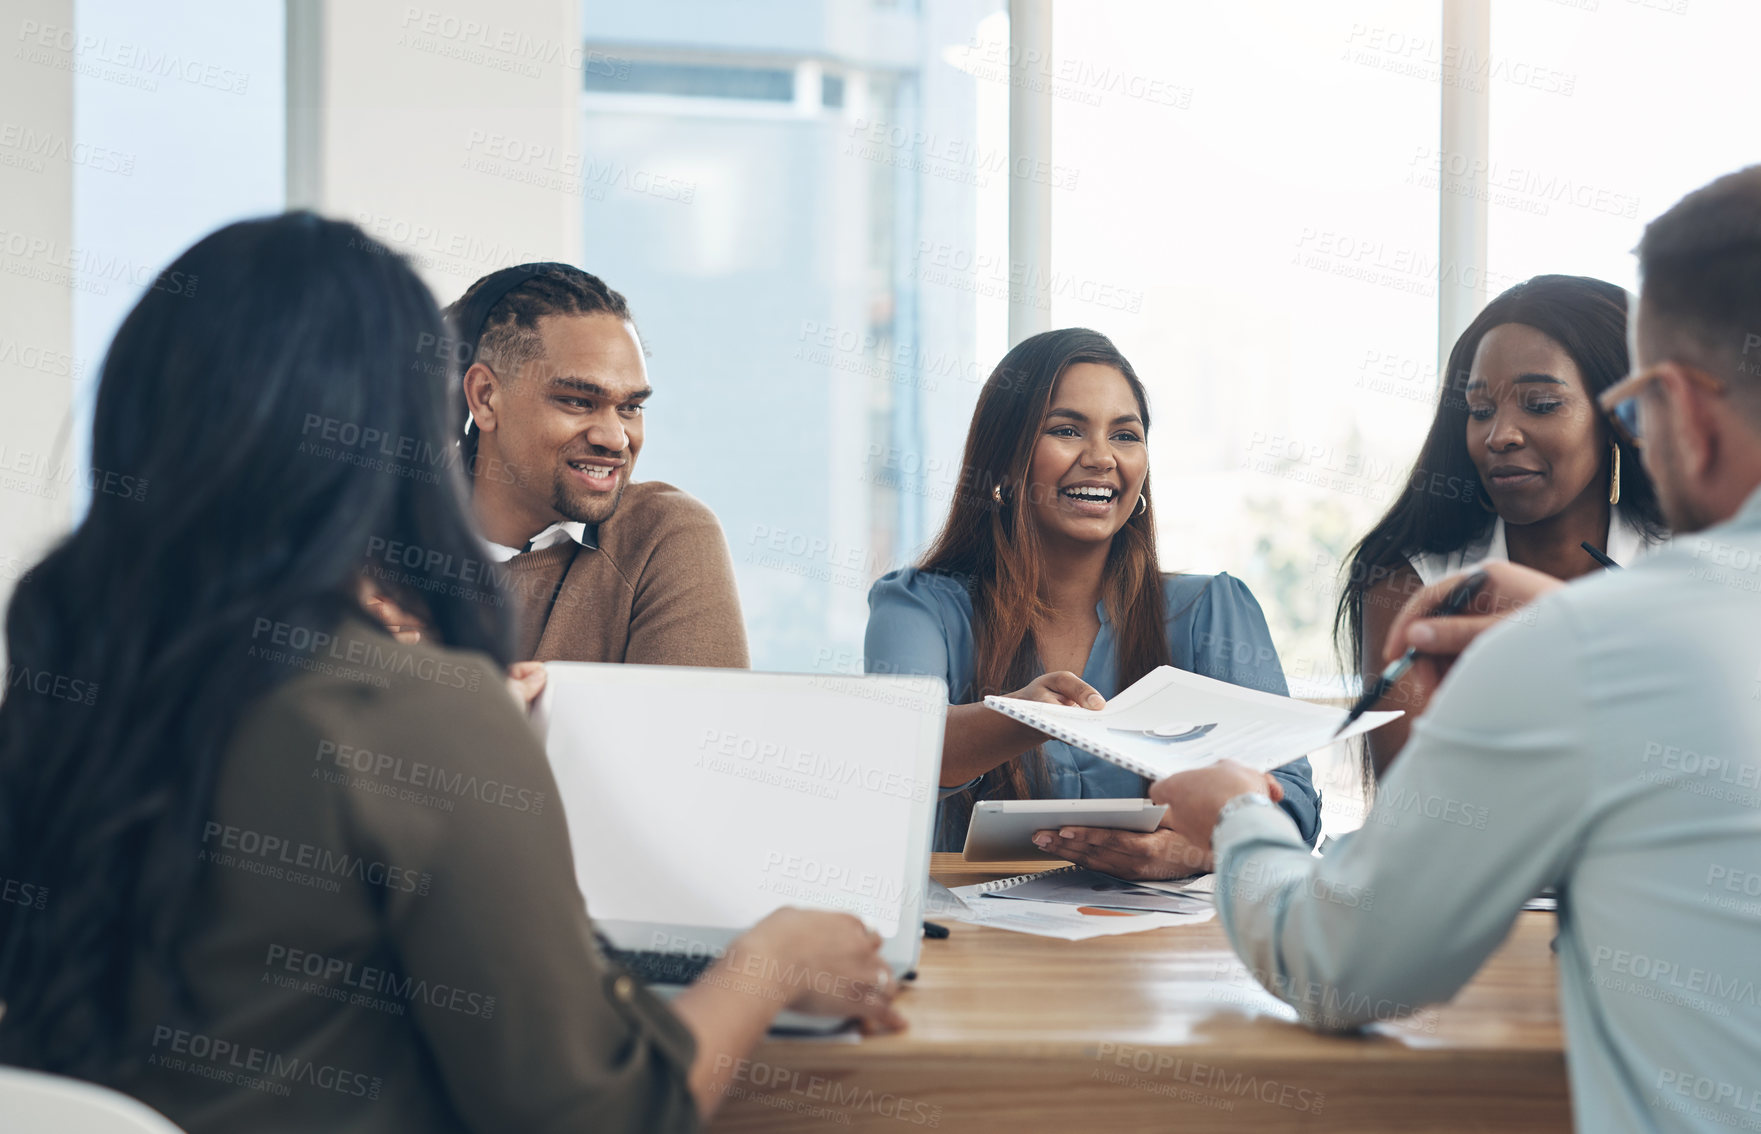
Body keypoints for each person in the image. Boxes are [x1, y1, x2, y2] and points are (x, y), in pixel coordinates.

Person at [0, 215, 899, 1133]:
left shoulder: (63, 676)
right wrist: (772, 961)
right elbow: (597, 1115)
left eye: (631, 406)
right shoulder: (416, 711)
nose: (614, 433)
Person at [1154, 166, 1761, 1134]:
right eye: (1479, 408)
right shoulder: (1547, 616)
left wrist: (1239, 817)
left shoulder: (1592, 644)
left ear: (1675, 411)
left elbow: (1340, 963)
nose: (1500, 436)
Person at [865, 328, 1320, 880]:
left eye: (1125, 435)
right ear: (1004, 460)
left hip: (1166, 954)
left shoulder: (1211, 609)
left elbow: (1292, 800)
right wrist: (1024, 717)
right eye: (1066, 430)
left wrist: (1201, 852)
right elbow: (893, 756)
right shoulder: (918, 607)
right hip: (969, 948)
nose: (1102, 457)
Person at [1336, 274, 1668, 779]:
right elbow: (1415, 810)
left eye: (1541, 404)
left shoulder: (1691, 563)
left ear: (1617, 418)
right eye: (1480, 411)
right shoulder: (1412, 578)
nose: (1500, 435)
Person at [447, 262, 748, 667]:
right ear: (485, 397)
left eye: (631, 407)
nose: (615, 438)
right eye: (577, 401)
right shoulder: (376, 547)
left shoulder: (660, 537)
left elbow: (691, 729)